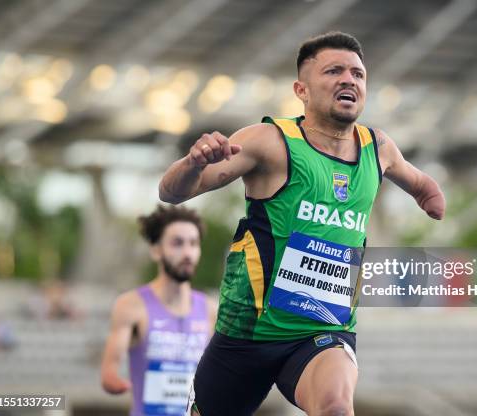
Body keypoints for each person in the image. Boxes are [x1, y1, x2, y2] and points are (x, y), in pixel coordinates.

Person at [159, 31, 446, 416]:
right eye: (334, 71)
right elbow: (172, 192)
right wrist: (193, 162)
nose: (349, 80)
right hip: (246, 333)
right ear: (302, 89)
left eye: (358, 74)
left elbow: (420, 181)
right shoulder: (269, 141)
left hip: (322, 331)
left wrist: (429, 197)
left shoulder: (376, 148)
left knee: (335, 407)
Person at [100, 205, 216, 416]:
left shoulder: (210, 309)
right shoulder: (130, 306)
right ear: (156, 250)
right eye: (177, 243)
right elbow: (109, 371)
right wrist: (116, 383)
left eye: (193, 243)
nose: (188, 253)